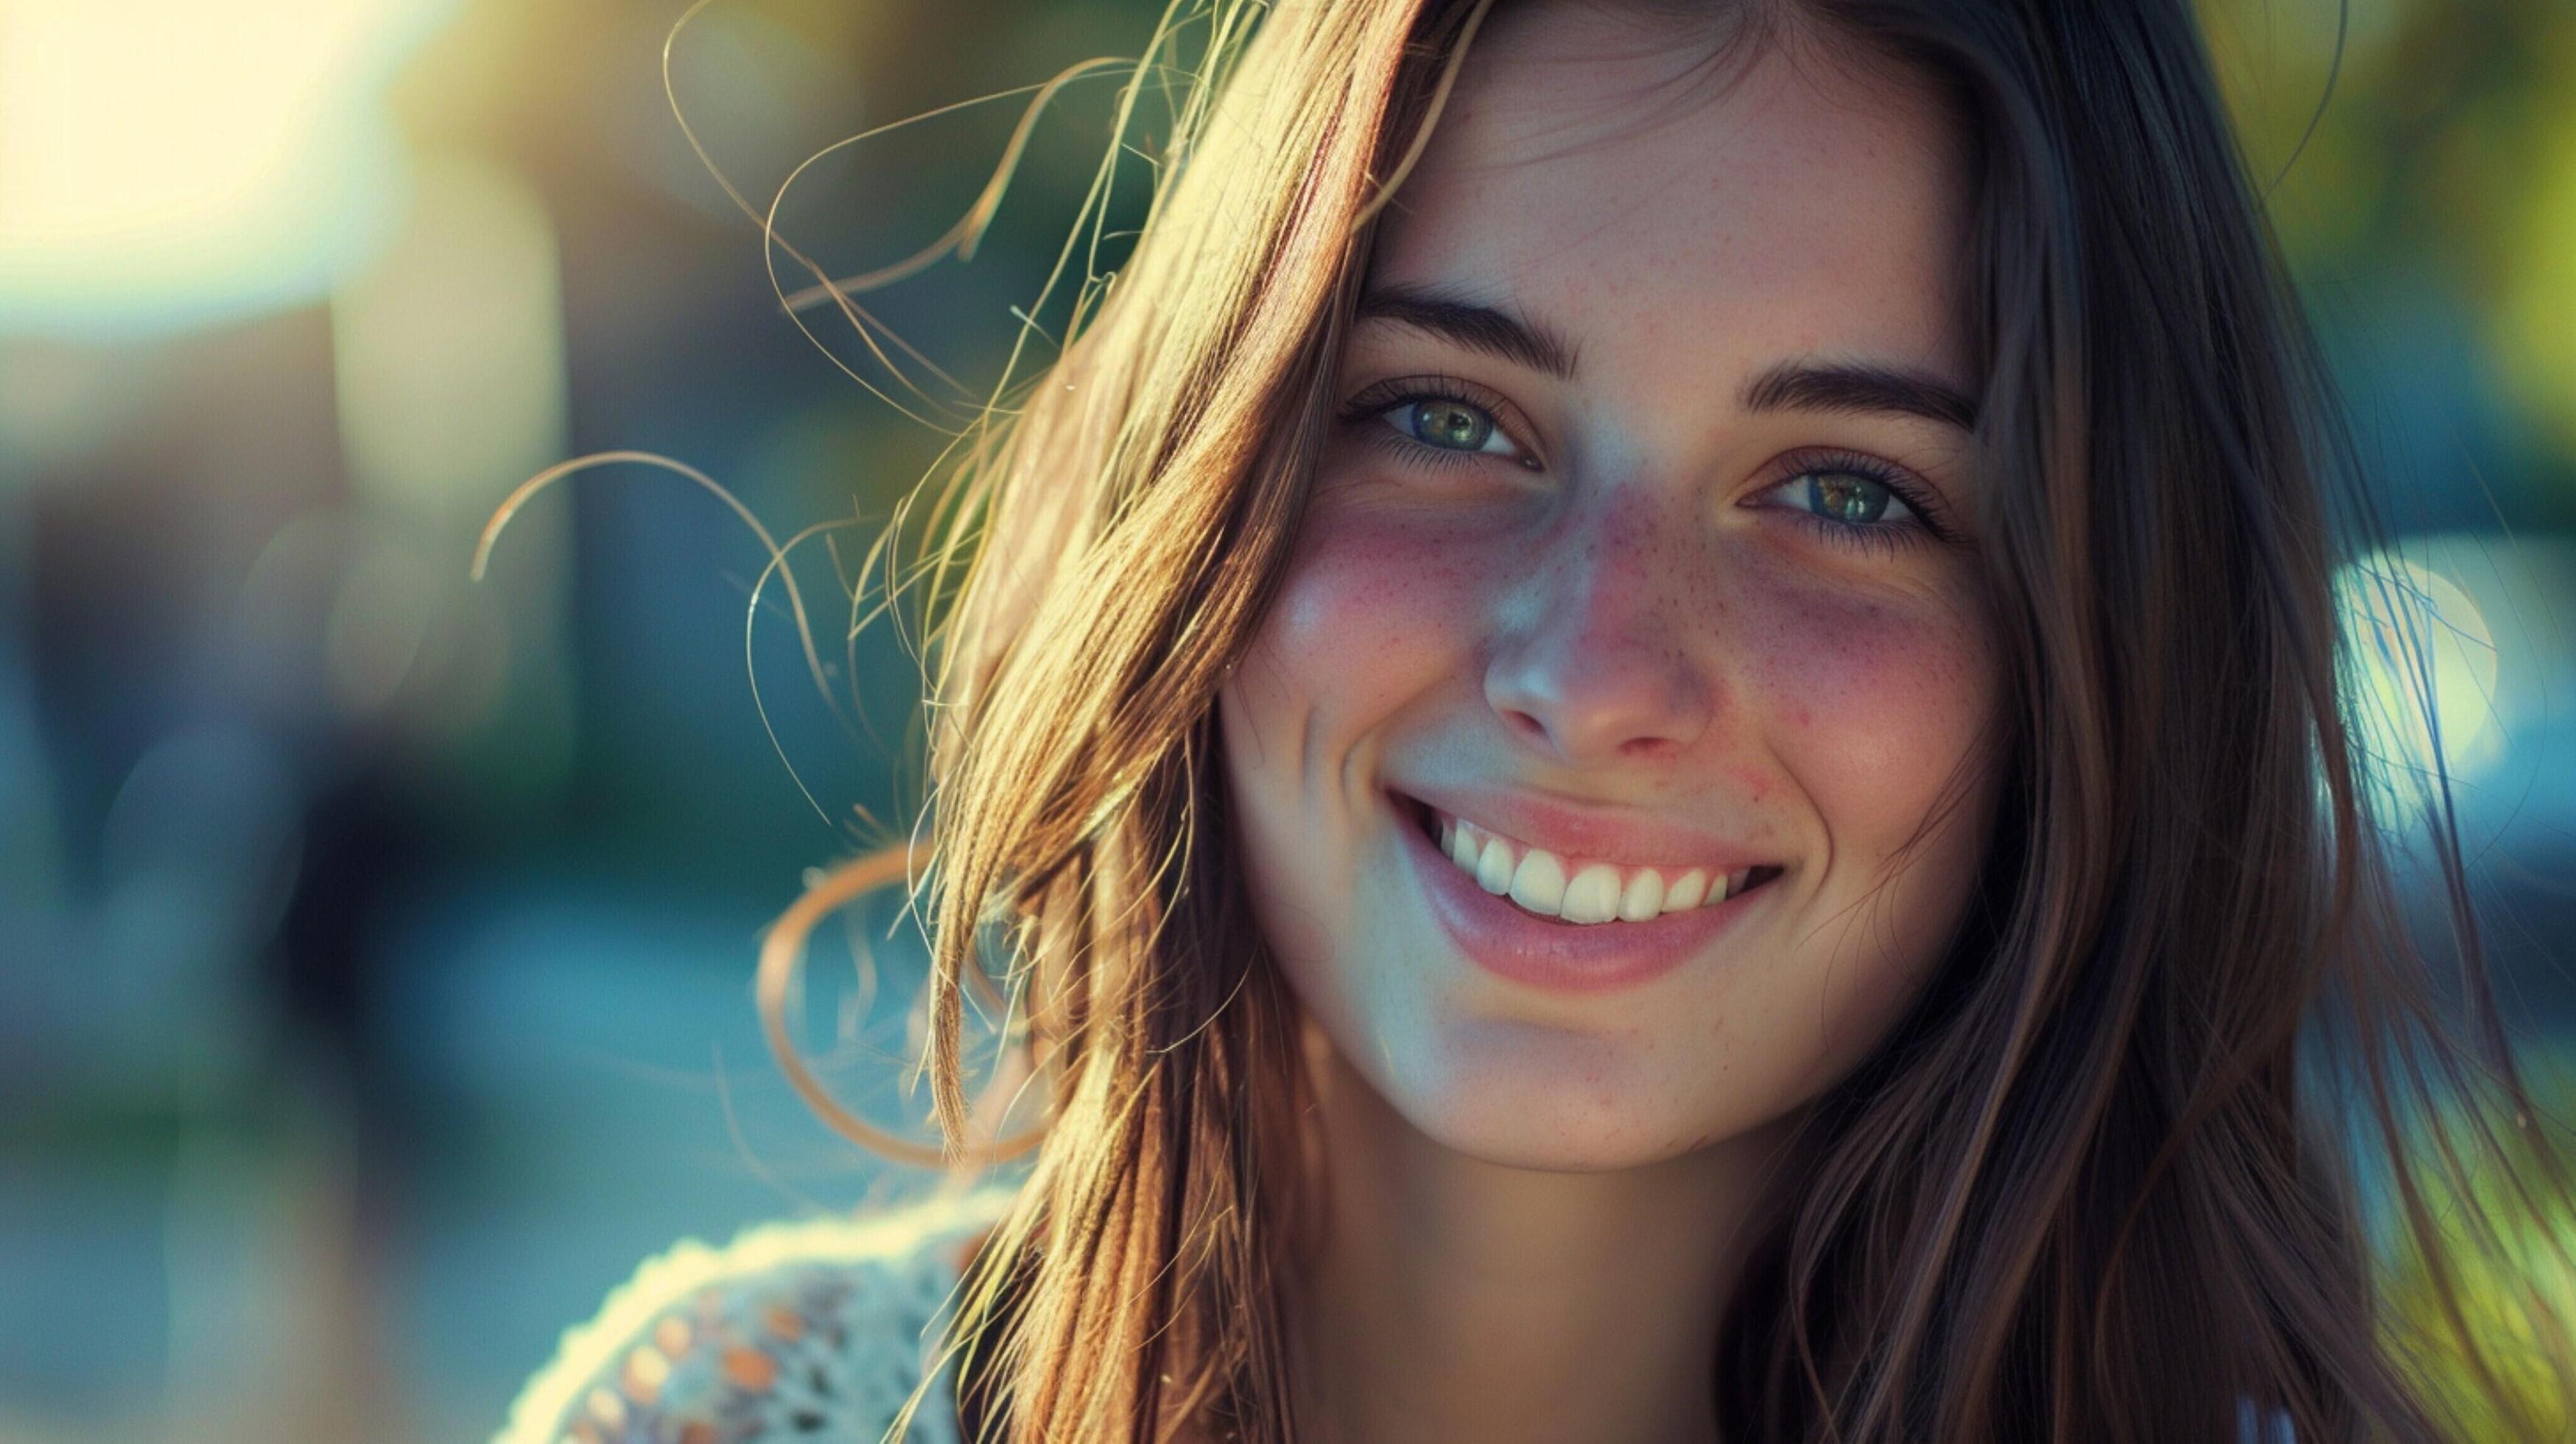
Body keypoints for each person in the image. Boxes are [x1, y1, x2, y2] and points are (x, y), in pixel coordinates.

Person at [495, 1, 2573, 1440]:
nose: (1589, 674)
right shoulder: (721, 1420)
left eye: (1851, 491)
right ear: (1211, 482)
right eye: (1444, 417)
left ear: (2087, 655)